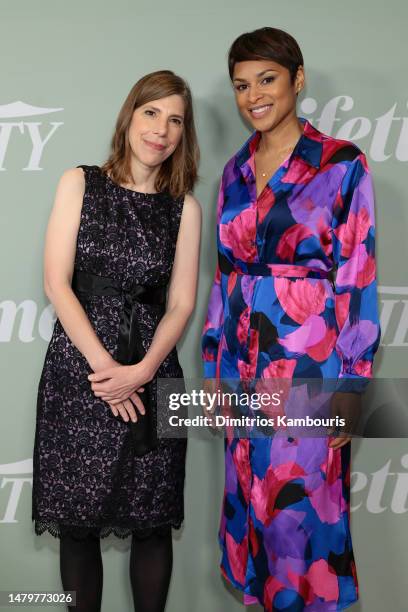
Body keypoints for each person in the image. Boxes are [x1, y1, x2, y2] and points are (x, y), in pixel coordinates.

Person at [201, 28, 380, 611]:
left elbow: (357, 274)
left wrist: (352, 381)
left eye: (267, 80)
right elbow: (223, 276)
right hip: (241, 368)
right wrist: (212, 362)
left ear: (297, 79)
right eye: (241, 85)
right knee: (252, 502)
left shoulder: (342, 165)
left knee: (299, 511)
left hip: (308, 367)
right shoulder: (233, 172)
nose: (254, 95)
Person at [32, 70, 201, 612]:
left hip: (153, 375)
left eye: (175, 120)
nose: (162, 129)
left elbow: (181, 304)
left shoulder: (185, 208)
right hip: (80, 373)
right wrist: (108, 371)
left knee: (152, 523)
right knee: (78, 525)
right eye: (152, 113)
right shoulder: (79, 182)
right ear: (130, 116)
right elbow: (57, 282)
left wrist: (143, 370)